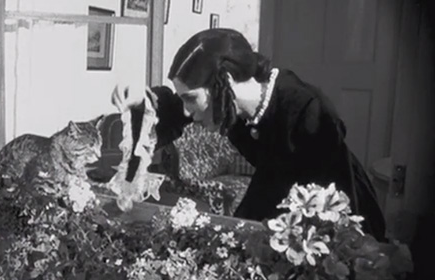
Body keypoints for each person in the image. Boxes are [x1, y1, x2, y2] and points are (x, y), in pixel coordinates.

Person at [141, 28, 387, 241]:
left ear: (224, 80)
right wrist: (143, 107)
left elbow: (309, 198)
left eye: (190, 98)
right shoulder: (226, 102)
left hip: (338, 208)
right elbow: (174, 111)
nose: (187, 111)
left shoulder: (306, 111)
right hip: (282, 196)